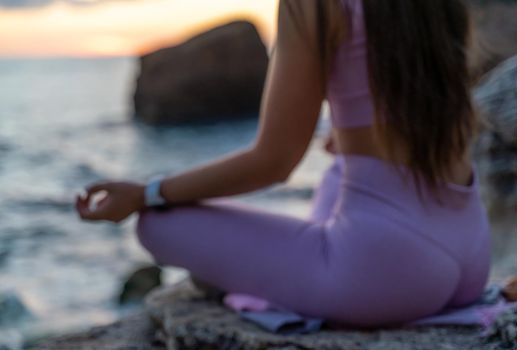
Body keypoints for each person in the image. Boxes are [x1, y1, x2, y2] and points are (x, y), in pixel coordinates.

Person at [76, 0, 491, 327]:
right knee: (338, 171)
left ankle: (304, 277)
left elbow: (273, 162)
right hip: (471, 253)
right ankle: (313, 269)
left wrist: (146, 192)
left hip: (386, 275)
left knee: (158, 223)